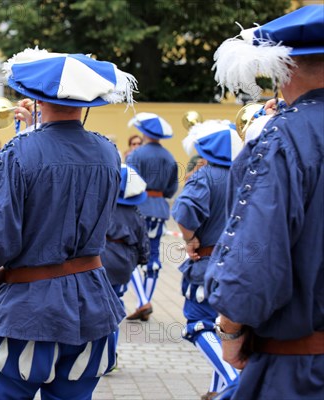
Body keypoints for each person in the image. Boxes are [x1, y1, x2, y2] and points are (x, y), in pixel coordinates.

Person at [0, 48, 136, 399]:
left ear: (35, 96)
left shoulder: (16, 153)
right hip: (92, 306)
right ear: (87, 101)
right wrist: (32, 132)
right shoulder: (108, 153)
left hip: (25, 311)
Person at [205, 5, 324, 399]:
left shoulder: (285, 137)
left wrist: (231, 330)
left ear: (282, 66)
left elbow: (254, 260)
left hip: (300, 369)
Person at [172, 120, 242, 399]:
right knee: (225, 327)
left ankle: (234, 381)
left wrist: (190, 239)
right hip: (242, 263)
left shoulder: (206, 175)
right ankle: (218, 390)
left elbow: (185, 212)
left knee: (198, 324)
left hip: (208, 263)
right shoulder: (250, 174)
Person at [125, 112, 179, 320]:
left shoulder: (136, 155)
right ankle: (146, 299)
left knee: (130, 252)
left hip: (139, 207)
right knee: (153, 256)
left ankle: (141, 301)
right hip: (159, 209)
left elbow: (129, 184)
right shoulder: (169, 157)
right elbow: (172, 188)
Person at [100, 164, 149, 368]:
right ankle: (111, 356)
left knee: (99, 306)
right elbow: (143, 244)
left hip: (100, 260)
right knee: (115, 306)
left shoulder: (101, 207)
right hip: (122, 264)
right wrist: (142, 260)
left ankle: (96, 354)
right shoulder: (136, 214)